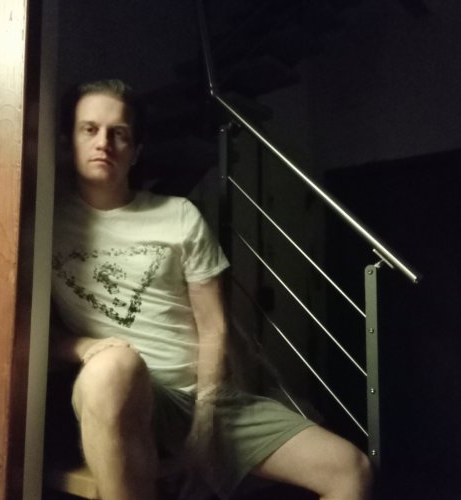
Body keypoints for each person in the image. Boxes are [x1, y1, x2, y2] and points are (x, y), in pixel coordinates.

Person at [50, 79, 372, 500]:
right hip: (123, 393)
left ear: (136, 151)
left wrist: (205, 420)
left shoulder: (178, 215)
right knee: (114, 366)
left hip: (202, 397)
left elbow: (214, 326)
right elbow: (20, 329)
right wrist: (86, 347)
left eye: (119, 133)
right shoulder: (42, 223)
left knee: (351, 470)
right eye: (89, 129)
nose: (104, 143)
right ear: (68, 141)